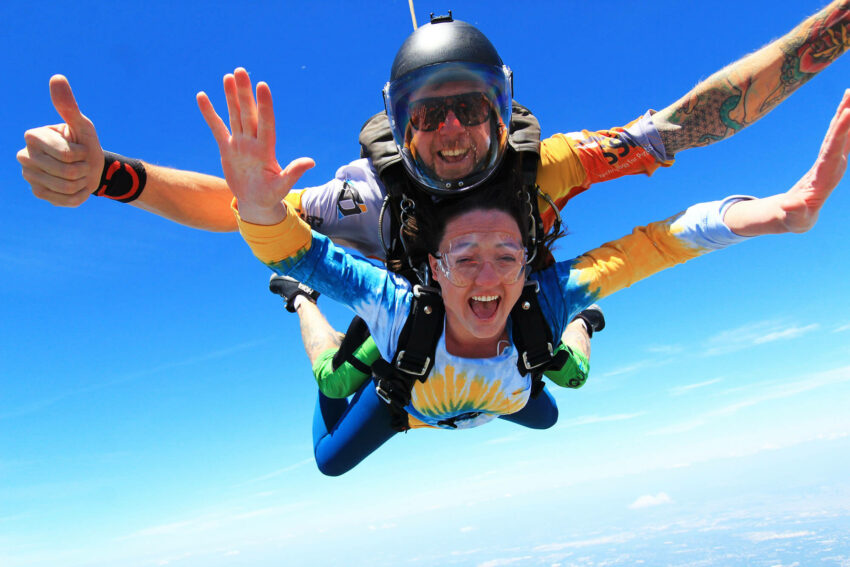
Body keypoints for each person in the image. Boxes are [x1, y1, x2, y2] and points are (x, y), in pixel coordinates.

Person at [15, 4, 850, 431]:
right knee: (338, 413)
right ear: (399, 124)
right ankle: (300, 305)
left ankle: (562, 324)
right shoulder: (365, 198)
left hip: (501, 316)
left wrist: (835, 28)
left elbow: (692, 121)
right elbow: (231, 207)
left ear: (502, 112)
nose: (450, 130)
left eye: (469, 109)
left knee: (552, 384)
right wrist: (108, 175)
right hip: (404, 325)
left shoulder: (549, 166)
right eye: (427, 114)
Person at [201, 69, 849, 475]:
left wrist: (779, 212)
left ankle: (585, 326)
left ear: (529, 258)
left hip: (494, 394)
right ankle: (298, 307)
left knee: (567, 378)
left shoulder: (544, 296)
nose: (487, 279)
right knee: (331, 424)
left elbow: (661, 243)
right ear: (432, 264)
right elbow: (301, 253)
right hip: (410, 397)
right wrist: (259, 212)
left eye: (506, 257)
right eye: (464, 259)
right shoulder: (398, 306)